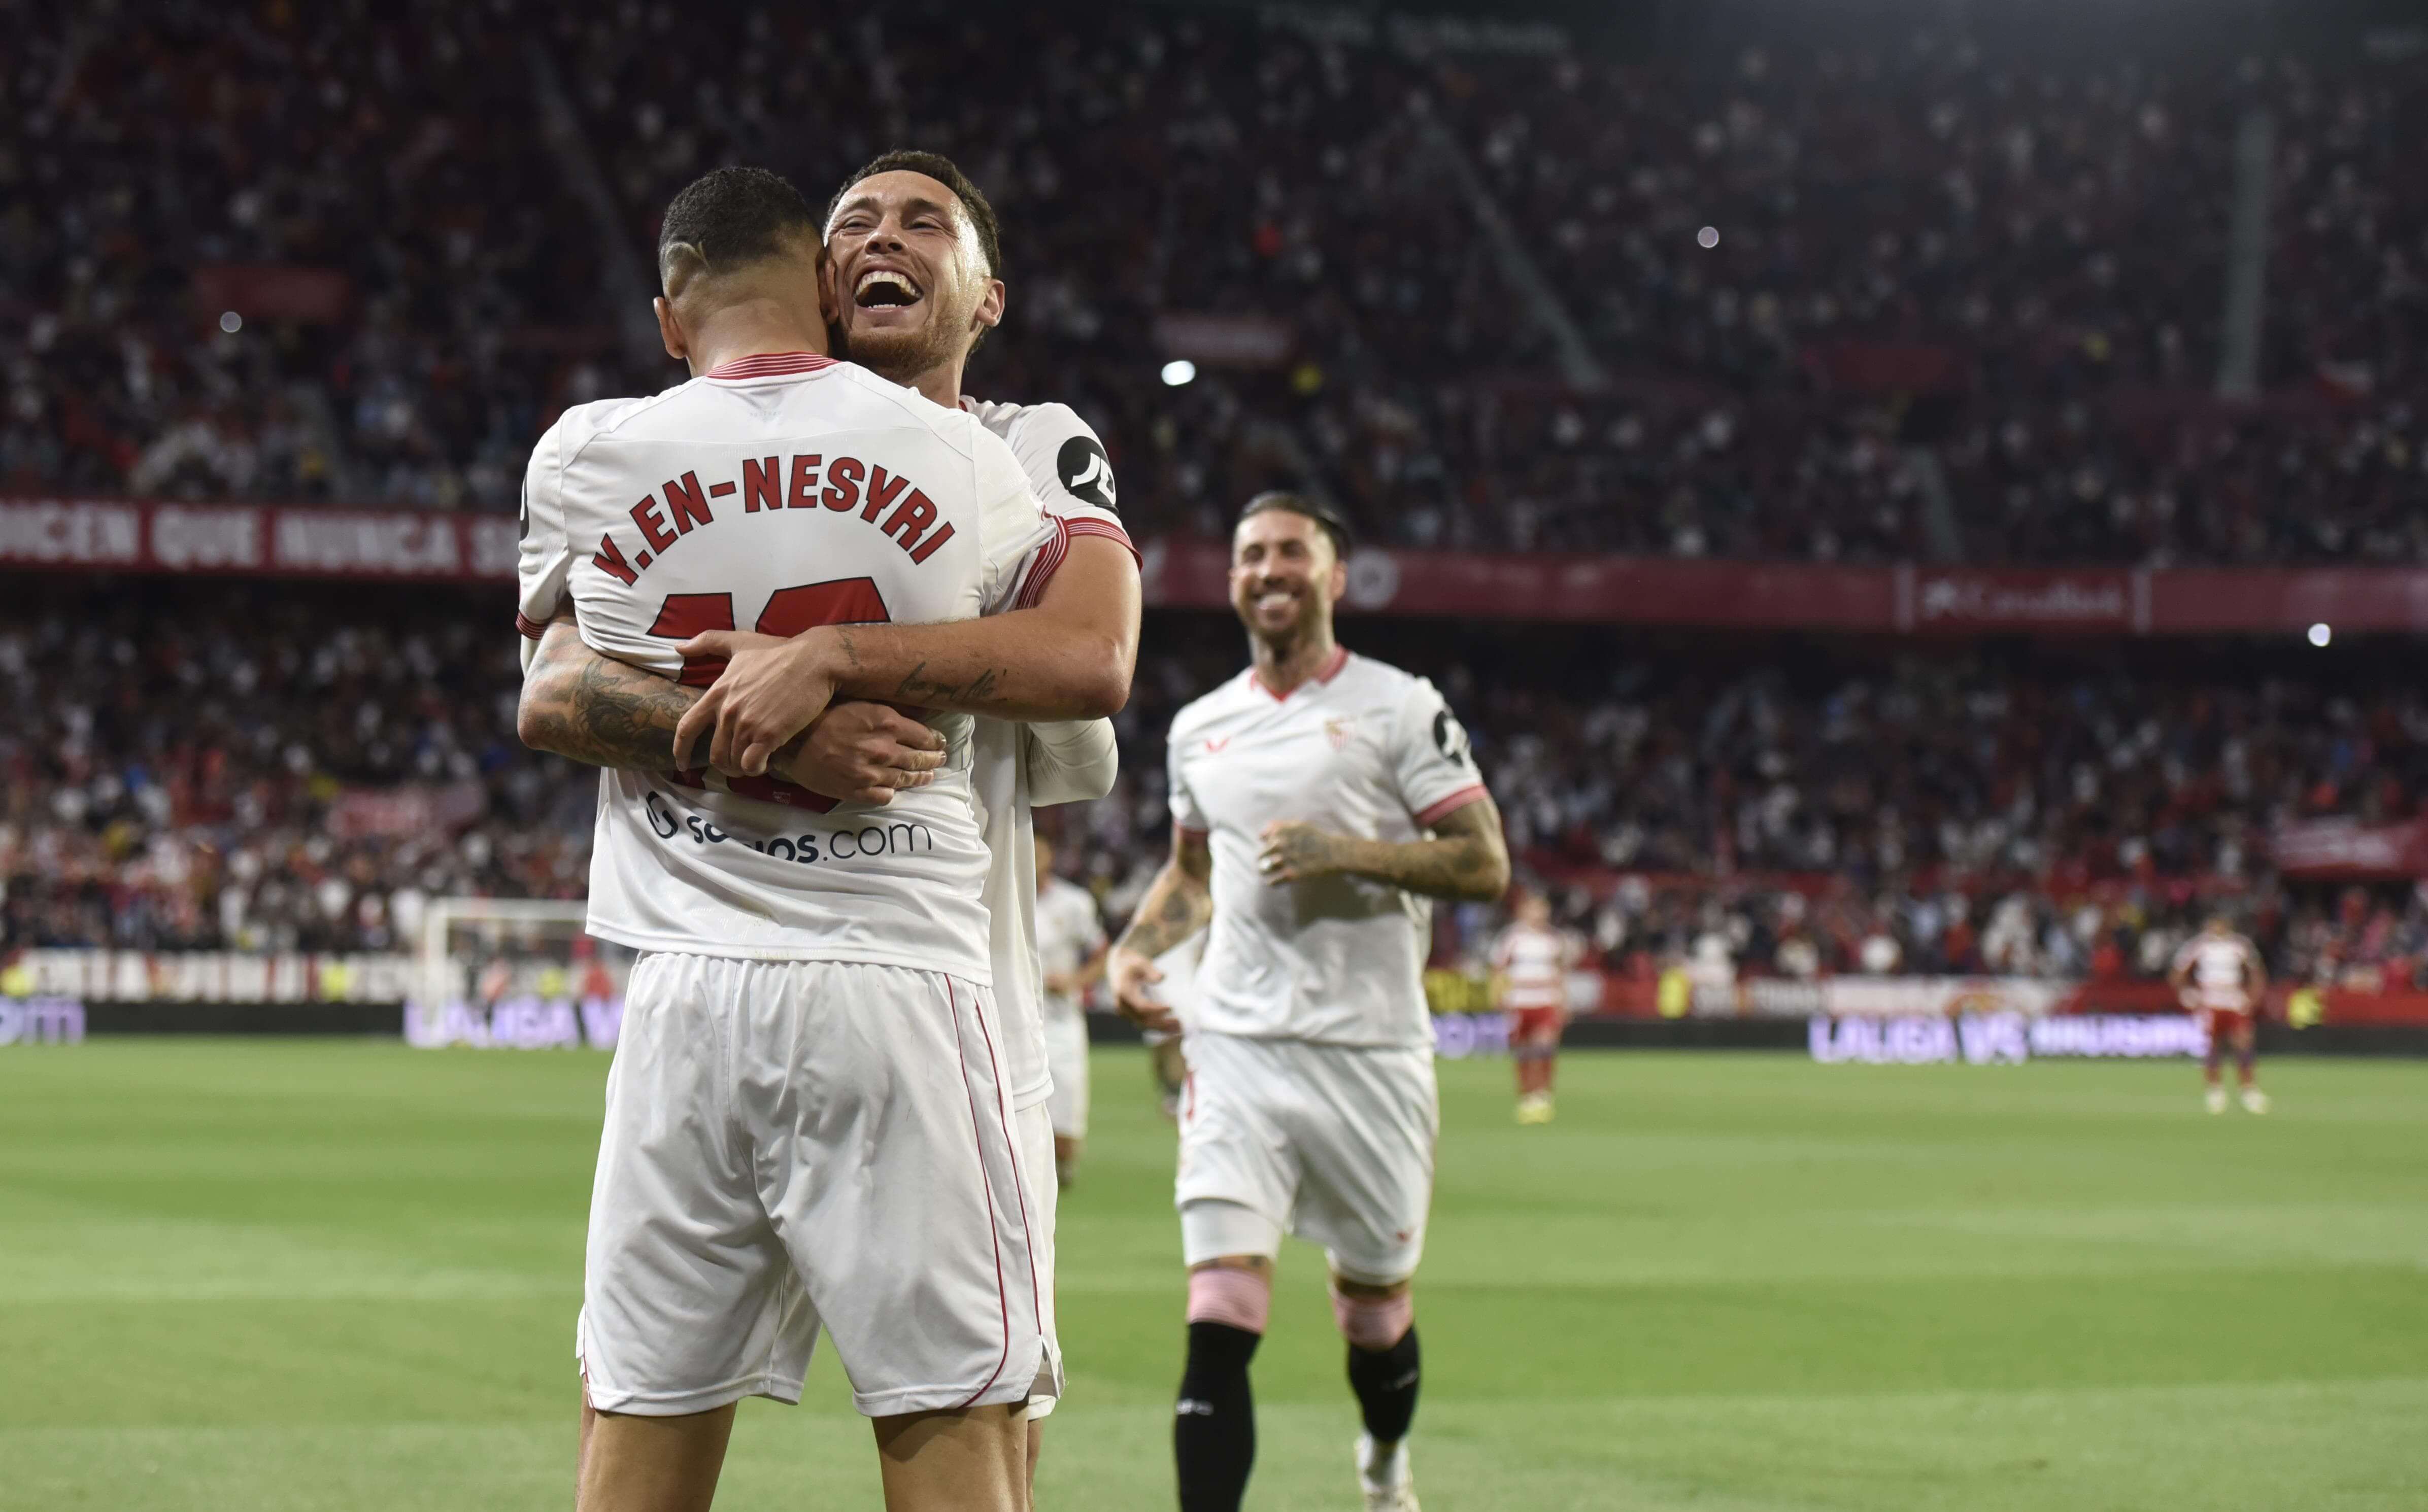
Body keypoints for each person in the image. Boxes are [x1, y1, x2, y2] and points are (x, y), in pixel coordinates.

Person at [517, 150, 1141, 1494]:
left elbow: (1095, 659)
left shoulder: (1028, 441)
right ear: (812, 277)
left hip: (964, 990)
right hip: (846, 978)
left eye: (926, 221)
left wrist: (839, 655)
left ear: (987, 296)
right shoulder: (951, 468)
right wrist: (796, 721)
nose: (884, 237)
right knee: (876, 1410)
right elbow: (556, 686)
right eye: (855, 219)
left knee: (986, 1426)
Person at [1106, 492, 1510, 1512]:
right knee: (1217, 1315)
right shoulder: (1202, 727)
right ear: (1232, 576)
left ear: (1334, 577)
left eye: (1293, 551)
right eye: (1251, 554)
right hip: (1238, 1048)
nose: (1269, 568)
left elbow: (1483, 860)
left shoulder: (1399, 706)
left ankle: (1382, 1466)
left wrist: (1350, 852)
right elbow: (1192, 875)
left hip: (1369, 1052)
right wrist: (1132, 950)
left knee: (1374, 1309)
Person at [1033, 834, 1108, 1187]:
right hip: (1014, 1017)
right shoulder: (996, 894)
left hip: (1061, 1019)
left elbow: (1102, 953)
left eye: (1040, 847)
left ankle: (1062, 1167)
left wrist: (1077, 980)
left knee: (1066, 1117)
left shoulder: (1074, 903)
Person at [2168, 914, 2270, 1114]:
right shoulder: (2198, 946)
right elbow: (2177, 973)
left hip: (2234, 1001)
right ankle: (2215, 1091)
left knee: (2243, 1042)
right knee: (2213, 1046)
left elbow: (2257, 973)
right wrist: (2187, 994)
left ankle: (2248, 1091)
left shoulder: (2240, 946)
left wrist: (2252, 999)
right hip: (2211, 1002)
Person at [1490, 891, 1578, 1123]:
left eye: (1542, 909)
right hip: (1520, 1003)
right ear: (1523, 912)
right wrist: (1498, 995)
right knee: (1524, 1051)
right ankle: (1527, 1096)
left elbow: (1560, 973)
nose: (1538, 914)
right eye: (1533, 909)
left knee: (1545, 1047)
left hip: (1545, 1002)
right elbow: (1499, 969)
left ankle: (1543, 1096)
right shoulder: (1511, 939)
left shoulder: (1553, 940)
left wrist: (1563, 1001)